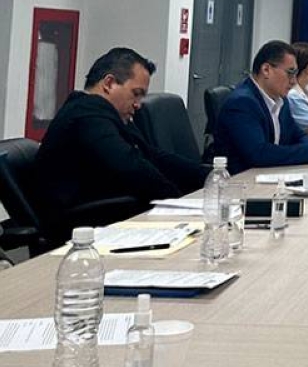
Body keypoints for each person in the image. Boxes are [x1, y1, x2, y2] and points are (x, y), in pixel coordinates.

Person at [35, 47, 209, 236]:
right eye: (136, 93)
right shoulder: (86, 117)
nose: (138, 104)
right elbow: (130, 167)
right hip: (81, 227)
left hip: (110, 214)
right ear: (109, 83)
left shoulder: (108, 114)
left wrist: (208, 176)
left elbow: (151, 155)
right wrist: (178, 204)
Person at [213, 40, 308, 175]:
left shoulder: (281, 100)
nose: (293, 81)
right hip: (239, 180)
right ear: (266, 70)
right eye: (290, 73)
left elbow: (298, 136)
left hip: (269, 174)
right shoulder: (242, 103)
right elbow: (259, 153)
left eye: (295, 74)